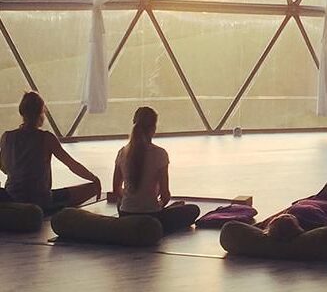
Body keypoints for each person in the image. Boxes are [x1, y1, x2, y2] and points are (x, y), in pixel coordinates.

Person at [0, 91, 101, 212]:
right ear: (41, 113)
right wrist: (94, 178)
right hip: (41, 200)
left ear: (22, 112)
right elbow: (71, 164)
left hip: (13, 197)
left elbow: (4, 167)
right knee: (92, 188)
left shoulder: (7, 137)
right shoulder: (46, 138)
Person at [113, 106, 199, 234]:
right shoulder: (160, 154)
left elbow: (116, 190)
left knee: (121, 204)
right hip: (152, 216)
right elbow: (165, 195)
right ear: (153, 128)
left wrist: (131, 203)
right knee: (193, 210)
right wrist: (157, 205)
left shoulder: (122, 153)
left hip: (126, 214)